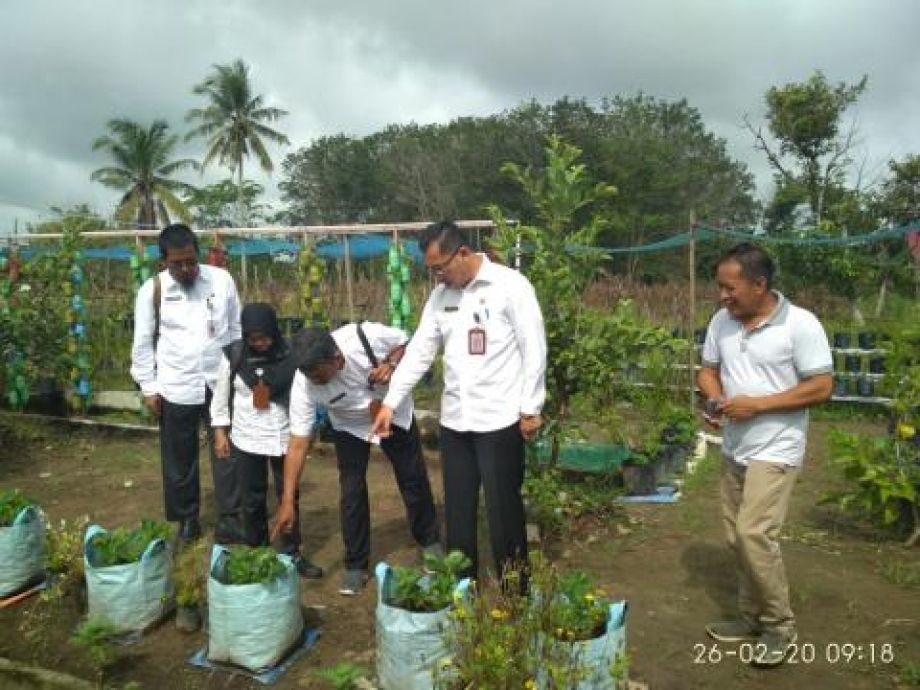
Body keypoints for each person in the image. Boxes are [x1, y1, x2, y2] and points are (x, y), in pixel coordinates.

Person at [369, 220, 547, 582]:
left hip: (500, 421)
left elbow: (534, 347)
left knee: (503, 511)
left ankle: (516, 594)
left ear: (462, 252)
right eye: (431, 270)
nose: (437, 276)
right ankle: (463, 592)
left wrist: (531, 407)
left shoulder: (510, 286)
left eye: (440, 267)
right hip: (456, 421)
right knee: (459, 511)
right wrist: (390, 402)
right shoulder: (441, 298)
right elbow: (419, 351)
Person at [697, 242, 832, 667]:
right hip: (736, 445)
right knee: (737, 536)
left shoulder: (801, 325)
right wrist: (717, 400)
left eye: (730, 287)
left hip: (778, 447)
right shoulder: (723, 321)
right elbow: (707, 370)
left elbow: (821, 386)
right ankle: (750, 617)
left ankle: (779, 626)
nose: (722, 296)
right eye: (720, 287)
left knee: (755, 533)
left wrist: (758, 404)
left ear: (760, 284)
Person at [271, 323, 441, 595]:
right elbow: (298, 444)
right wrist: (288, 500)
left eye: (318, 375)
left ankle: (430, 541)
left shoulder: (365, 337)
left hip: (390, 412)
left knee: (412, 478)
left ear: (336, 359)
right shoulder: (303, 384)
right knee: (351, 491)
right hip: (349, 426)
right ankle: (356, 565)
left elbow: (408, 342)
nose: (314, 381)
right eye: (309, 376)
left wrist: (392, 363)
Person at [130, 223, 242, 544]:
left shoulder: (221, 281)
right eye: (177, 263)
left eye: (191, 260)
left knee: (227, 450)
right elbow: (142, 343)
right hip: (176, 384)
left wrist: (237, 372)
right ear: (163, 261)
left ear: (198, 254)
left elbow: (235, 329)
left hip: (220, 380)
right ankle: (187, 519)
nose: (186, 268)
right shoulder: (152, 291)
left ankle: (231, 516)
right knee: (180, 458)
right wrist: (149, 387)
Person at [210, 303, 322, 578]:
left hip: (285, 436)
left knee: (289, 495)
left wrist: (309, 431)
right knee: (252, 498)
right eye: (253, 339)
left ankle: (291, 552)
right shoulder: (234, 355)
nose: (260, 344)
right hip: (247, 436)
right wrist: (220, 432)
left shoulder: (289, 354)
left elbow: (305, 394)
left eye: (265, 337)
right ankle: (258, 551)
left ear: (274, 331)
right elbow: (221, 395)